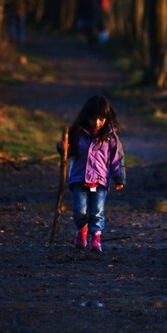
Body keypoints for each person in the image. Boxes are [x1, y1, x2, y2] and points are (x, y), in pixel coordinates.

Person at [58, 95, 126, 252]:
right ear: (86, 117)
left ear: (107, 118)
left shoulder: (110, 137)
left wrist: (119, 177)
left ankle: (95, 237)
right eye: (93, 118)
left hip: (100, 180)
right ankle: (81, 231)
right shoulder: (77, 133)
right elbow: (70, 153)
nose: (97, 123)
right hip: (79, 179)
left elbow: (116, 159)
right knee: (80, 210)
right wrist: (64, 148)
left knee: (97, 211)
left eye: (101, 119)